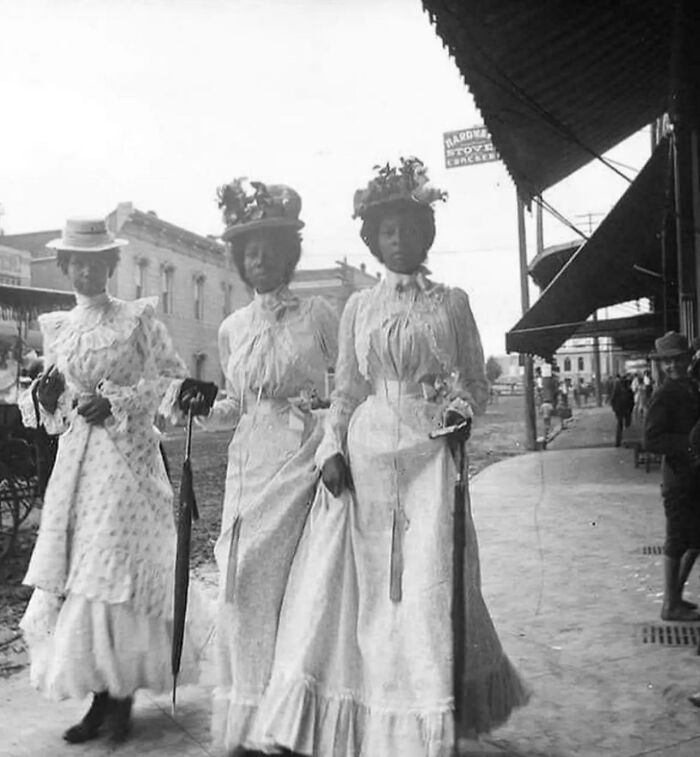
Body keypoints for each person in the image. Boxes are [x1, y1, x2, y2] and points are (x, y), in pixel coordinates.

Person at [252, 158, 529, 757]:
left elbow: (475, 384)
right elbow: (347, 391)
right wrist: (331, 449)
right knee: (364, 590)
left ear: (426, 235)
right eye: (386, 231)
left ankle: (424, 729)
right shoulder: (360, 307)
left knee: (428, 585)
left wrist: (458, 414)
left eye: (407, 228)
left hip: (431, 457)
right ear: (373, 240)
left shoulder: (451, 304)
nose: (397, 240)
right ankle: (369, 722)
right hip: (369, 455)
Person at [17, 217, 216, 744]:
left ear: (110, 266)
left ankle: (121, 694)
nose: (85, 270)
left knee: (116, 569)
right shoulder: (57, 326)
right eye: (76, 262)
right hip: (77, 462)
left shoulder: (137, 318)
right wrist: (47, 398)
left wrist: (120, 401)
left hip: (126, 459)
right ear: (65, 266)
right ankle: (97, 695)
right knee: (83, 572)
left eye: (95, 262)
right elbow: (55, 404)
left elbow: (171, 380)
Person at [203, 179, 339, 756]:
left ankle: (291, 722)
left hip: (305, 459)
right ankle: (251, 714)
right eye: (248, 251)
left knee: (295, 585)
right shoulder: (234, 328)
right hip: (248, 462)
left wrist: (331, 441)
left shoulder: (320, 314)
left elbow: (345, 390)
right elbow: (238, 401)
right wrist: (201, 403)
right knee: (240, 583)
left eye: (269, 248)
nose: (259, 259)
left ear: (289, 254)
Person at [644, 331, 700, 622]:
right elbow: (651, 440)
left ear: (688, 358)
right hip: (678, 478)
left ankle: (675, 597)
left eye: (677, 359)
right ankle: (670, 604)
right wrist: (689, 445)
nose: (673, 366)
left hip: (692, 476)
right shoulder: (664, 394)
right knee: (678, 539)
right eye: (667, 362)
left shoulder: (689, 387)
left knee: (695, 539)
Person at [609, 374, 634, 447]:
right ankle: (627, 441)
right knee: (627, 426)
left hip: (619, 410)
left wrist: (614, 409)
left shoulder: (617, 390)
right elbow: (632, 401)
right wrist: (631, 409)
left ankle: (618, 442)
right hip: (627, 410)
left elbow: (613, 399)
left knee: (619, 425)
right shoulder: (629, 390)